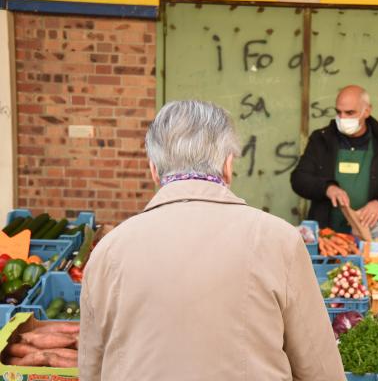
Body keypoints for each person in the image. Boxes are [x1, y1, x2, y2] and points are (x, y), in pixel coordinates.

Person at [79, 100, 345, 381]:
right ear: (228, 165)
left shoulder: (108, 251)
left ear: (154, 170)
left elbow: (91, 369)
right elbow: (319, 367)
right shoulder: (279, 240)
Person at [291, 85, 378, 232]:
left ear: (367, 111)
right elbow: (299, 179)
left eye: (350, 113)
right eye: (338, 112)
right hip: (327, 235)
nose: (342, 118)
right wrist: (327, 188)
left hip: (373, 235)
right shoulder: (321, 139)